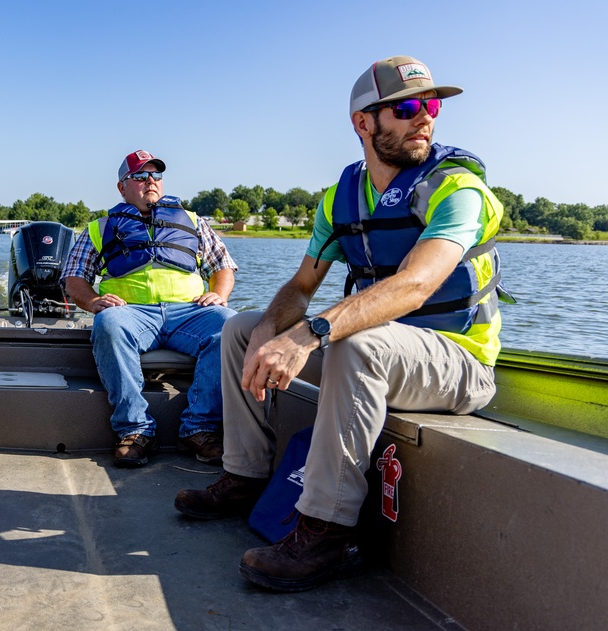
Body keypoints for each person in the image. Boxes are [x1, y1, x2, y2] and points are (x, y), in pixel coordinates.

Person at [174, 56, 509, 591]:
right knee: (240, 327)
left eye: (433, 105)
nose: (426, 117)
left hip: (457, 362)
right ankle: (244, 477)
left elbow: (417, 284)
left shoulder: (457, 189)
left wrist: (310, 333)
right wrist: (272, 330)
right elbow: (300, 288)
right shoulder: (339, 199)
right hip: (383, 351)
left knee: (356, 344)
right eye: (407, 107)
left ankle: (328, 533)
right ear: (364, 123)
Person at [61, 150, 239, 468]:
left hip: (189, 312)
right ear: (122, 187)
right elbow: (74, 278)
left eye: (156, 176)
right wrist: (91, 302)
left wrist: (219, 294)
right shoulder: (99, 228)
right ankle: (136, 430)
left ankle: (199, 428)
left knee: (230, 325)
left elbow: (223, 266)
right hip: (133, 313)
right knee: (109, 324)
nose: (150, 182)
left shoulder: (194, 222)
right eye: (140, 177)